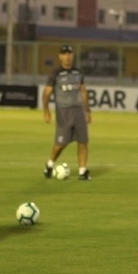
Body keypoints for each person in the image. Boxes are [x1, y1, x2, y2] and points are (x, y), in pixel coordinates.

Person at [42, 44, 92, 180]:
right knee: (61, 144)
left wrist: (87, 110)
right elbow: (46, 93)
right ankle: (50, 164)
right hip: (63, 112)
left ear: (72, 55)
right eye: (64, 54)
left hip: (78, 111)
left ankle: (83, 171)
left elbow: (83, 91)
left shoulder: (78, 72)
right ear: (60, 56)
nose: (67, 56)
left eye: (69, 54)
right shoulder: (55, 74)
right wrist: (46, 111)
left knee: (83, 141)